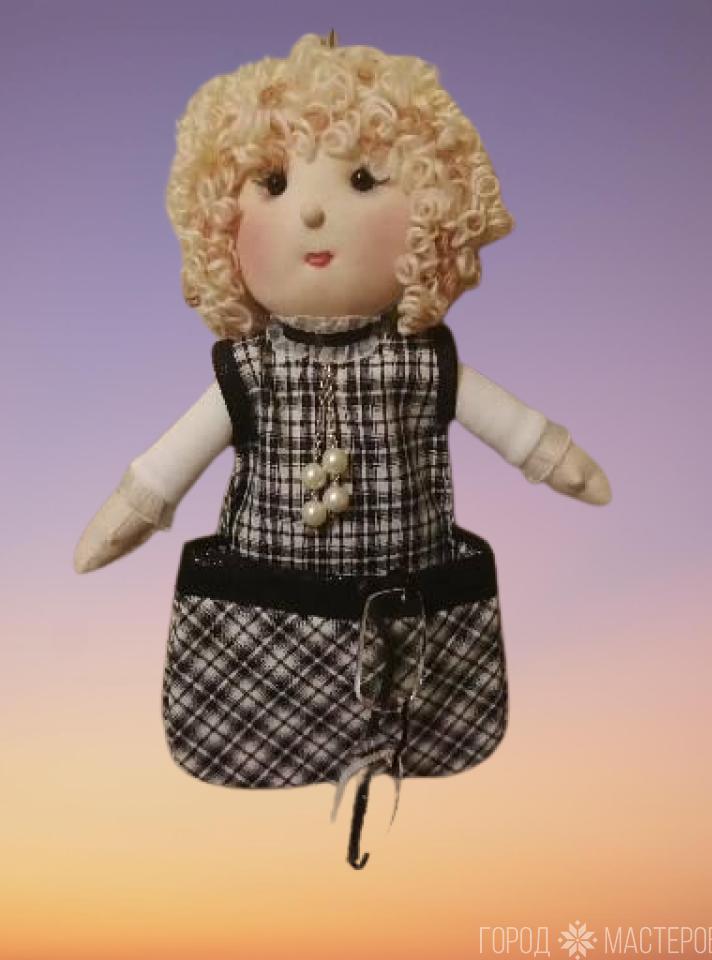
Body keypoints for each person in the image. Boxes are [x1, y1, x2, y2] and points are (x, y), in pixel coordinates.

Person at [74, 31, 611, 869]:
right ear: (219, 222)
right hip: (262, 638)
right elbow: (170, 465)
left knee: (416, 714)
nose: (314, 214)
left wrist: (550, 455)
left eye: (363, 181)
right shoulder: (252, 370)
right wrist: (136, 505)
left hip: (412, 635)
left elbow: (513, 428)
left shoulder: (422, 363)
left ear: (436, 211)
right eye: (275, 185)